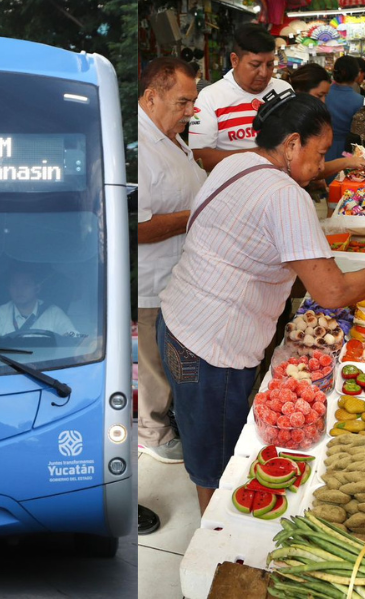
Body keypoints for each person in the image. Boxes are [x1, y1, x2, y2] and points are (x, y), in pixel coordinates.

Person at [158, 91, 365, 515]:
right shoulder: (286, 196)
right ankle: (216, 535)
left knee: (201, 432)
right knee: (217, 453)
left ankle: (213, 508)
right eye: (319, 154)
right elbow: (331, 292)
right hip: (215, 347)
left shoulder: (236, 161)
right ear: (292, 143)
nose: (321, 166)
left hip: (177, 322)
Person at [137, 56, 205, 465]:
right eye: (182, 102)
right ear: (151, 98)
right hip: (152, 279)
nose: (191, 110)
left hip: (177, 276)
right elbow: (140, 227)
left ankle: (168, 420)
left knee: (168, 358)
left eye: (192, 101)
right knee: (152, 364)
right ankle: (153, 433)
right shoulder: (141, 148)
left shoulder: (172, 136)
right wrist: (197, 216)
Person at [188, 22, 294, 171]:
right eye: (255, 65)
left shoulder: (284, 90)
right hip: (236, 191)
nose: (264, 73)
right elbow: (199, 157)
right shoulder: (210, 97)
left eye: (270, 65)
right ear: (234, 60)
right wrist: (259, 156)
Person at [0, 268, 77, 338]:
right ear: (9, 288)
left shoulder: (53, 313)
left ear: (37, 288)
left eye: (26, 284)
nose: (19, 289)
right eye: (14, 284)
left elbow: (73, 337)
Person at [324, 56, 365, 169]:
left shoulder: (323, 94)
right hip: (347, 150)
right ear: (356, 75)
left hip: (323, 148)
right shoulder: (360, 100)